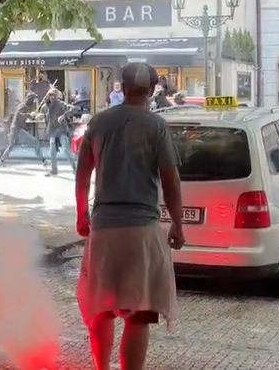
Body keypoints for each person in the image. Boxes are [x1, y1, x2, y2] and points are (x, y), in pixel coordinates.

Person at [75, 62, 185, 370]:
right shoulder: (156, 126)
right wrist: (178, 223)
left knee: (102, 309)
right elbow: (170, 180)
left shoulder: (99, 123)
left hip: (104, 231)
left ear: (122, 88)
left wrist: (82, 214)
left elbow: (83, 172)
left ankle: (101, 368)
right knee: (138, 314)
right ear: (151, 91)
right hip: (141, 231)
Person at [0, 91, 46, 166]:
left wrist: (32, 116)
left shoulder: (24, 106)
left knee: (11, 146)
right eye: (33, 100)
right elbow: (20, 115)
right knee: (35, 142)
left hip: (15, 129)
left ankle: (1, 161)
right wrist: (29, 115)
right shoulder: (23, 106)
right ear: (30, 99)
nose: (34, 102)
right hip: (18, 129)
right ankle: (43, 160)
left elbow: (24, 116)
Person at [41, 88, 77, 176]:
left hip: (61, 130)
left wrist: (64, 116)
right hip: (52, 131)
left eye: (54, 96)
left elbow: (73, 109)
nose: (52, 97)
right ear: (48, 96)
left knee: (66, 150)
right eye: (50, 95)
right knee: (52, 150)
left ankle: (75, 169)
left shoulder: (61, 104)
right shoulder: (45, 107)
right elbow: (44, 117)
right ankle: (54, 170)